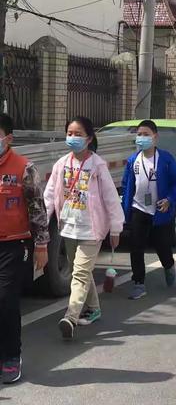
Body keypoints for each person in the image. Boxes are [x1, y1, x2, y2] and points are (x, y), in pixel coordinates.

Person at [44, 116, 124, 340]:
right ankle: (94, 308)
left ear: (89, 138)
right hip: (68, 227)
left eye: (78, 134)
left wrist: (116, 228)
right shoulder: (62, 164)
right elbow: (50, 196)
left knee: (79, 273)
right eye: (70, 133)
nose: (73, 138)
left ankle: (70, 316)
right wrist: (41, 222)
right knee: (79, 270)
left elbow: (110, 198)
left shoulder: (97, 165)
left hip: (92, 228)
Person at [0, 114, 49, 383]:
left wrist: (41, 245)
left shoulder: (24, 168)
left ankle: (11, 356)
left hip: (14, 243)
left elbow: (37, 209)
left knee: (5, 299)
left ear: (8, 138)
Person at [121, 120, 176, 300]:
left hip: (159, 210)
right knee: (136, 247)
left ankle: (169, 265)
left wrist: (170, 200)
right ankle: (139, 282)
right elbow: (127, 185)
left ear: (155, 138)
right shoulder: (133, 160)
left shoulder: (165, 159)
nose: (142, 138)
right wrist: (124, 210)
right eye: (139, 134)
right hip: (138, 209)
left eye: (146, 135)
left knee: (162, 246)